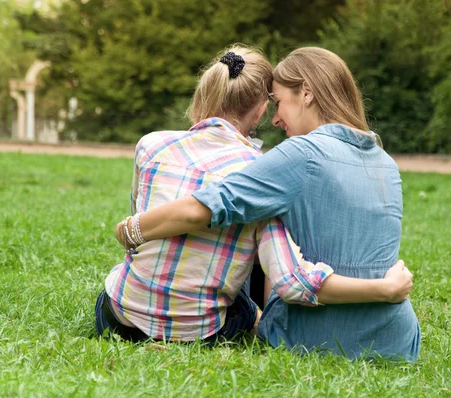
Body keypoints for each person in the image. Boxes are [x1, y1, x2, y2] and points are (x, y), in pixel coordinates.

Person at [115, 47, 421, 360]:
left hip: (314, 338)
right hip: (397, 341)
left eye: (277, 102)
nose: (274, 119)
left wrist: (131, 229)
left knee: (252, 225)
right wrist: (388, 289)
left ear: (306, 93)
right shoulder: (386, 163)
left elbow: (201, 208)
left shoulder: (300, 154)